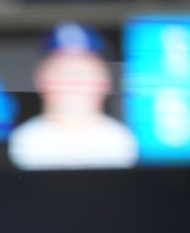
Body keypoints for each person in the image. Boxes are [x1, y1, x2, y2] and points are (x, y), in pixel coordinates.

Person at [8, 22, 138, 170]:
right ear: (40, 78)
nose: (73, 80)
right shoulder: (23, 143)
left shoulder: (122, 142)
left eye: (83, 70)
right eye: (61, 70)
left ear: (106, 79)